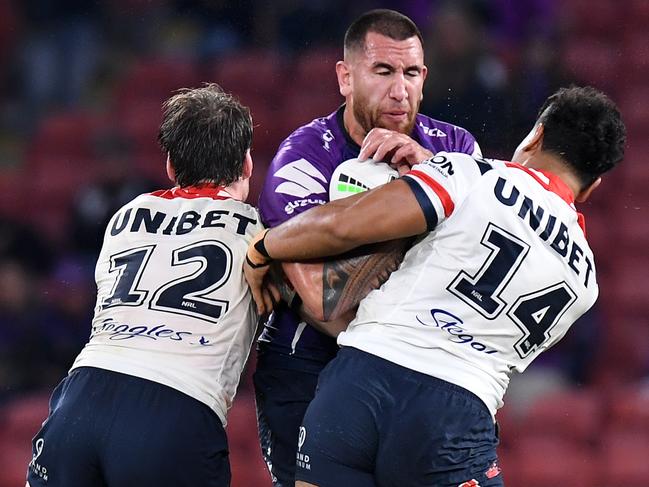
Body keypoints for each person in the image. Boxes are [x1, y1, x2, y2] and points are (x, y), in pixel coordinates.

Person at [244, 85, 626, 486]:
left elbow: (340, 226)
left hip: (358, 385)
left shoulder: (468, 174)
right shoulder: (586, 282)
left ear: (536, 135)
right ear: (591, 187)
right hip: (454, 418)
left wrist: (264, 247)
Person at [253, 8, 482, 486]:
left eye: (411, 73)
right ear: (345, 76)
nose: (400, 91)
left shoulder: (455, 149)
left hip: (417, 373)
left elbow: (478, 266)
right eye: (383, 71)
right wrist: (420, 212)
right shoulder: (304, 160)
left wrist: (430, 175)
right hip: (311, 369)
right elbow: (323, 301)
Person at [26, 84, 264, 487]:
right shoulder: (259, 233)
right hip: (176, 408)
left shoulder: (125, 215)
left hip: (79, 399)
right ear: (247, 164)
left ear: (170, 165)